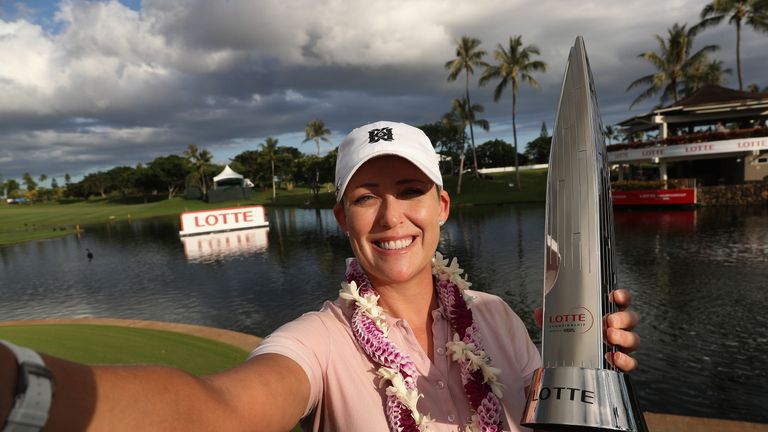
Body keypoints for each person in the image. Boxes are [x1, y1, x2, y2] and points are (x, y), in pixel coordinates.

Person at [0, 121, 639, 432]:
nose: (392, 217)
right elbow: (216, 408)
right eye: (367, 197)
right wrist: (23, 390)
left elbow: (548, 416)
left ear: (441, 205)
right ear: (342, 217)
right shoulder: (319, 340)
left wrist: (583, 362)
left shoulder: (497, 315)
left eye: (410, 190)